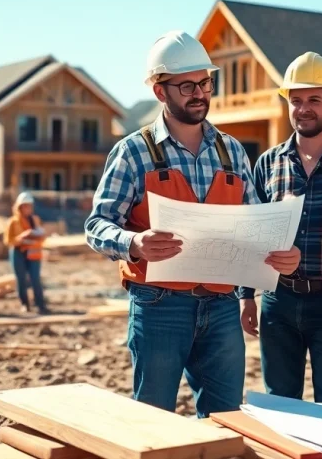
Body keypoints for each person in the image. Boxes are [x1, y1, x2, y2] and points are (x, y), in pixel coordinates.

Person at [84, 30, 301, 418]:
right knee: (153, 420)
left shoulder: (231, 150)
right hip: (158, 306)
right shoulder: (133, 152)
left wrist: (281, 254)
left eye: (205, 82)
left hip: (220, 308)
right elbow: (97, 225)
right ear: (159, 91)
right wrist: (134, 243)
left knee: (227, 420)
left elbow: (254, 227)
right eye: (187, 85)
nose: (200, 93)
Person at [239, 52, 322, 403]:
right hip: (278, 300)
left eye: (313, 100)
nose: (303, 109)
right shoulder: (267, 163)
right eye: (295, 100)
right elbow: (252, 231)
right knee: (280, 401)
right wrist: (246, 297)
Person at [3, 191, 49, 314]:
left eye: (29, 206)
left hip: (33, 254)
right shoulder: (13, 222)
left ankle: (40, 304)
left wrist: (36, 236)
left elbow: (42, 236)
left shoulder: (35, 220)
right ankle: (25, 304)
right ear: (19, 207)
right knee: (21, 280)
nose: (27, 208)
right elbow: (8, 241)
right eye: (25, 206)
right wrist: (21, 239)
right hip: (18, 253)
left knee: (35, 279)